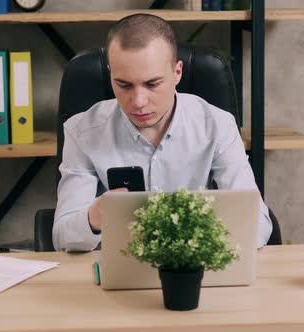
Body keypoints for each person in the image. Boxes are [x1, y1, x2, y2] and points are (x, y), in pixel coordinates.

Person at [52, 13, 272, 252]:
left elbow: (257, 223)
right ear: (110, 73)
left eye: (152, 84)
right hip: (114, 272)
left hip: (197, 266)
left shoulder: (218, 126)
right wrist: (94, 218)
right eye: (124, 84)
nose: (138, 101)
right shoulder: (82, 132)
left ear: (177, 72)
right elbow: (62, 236)